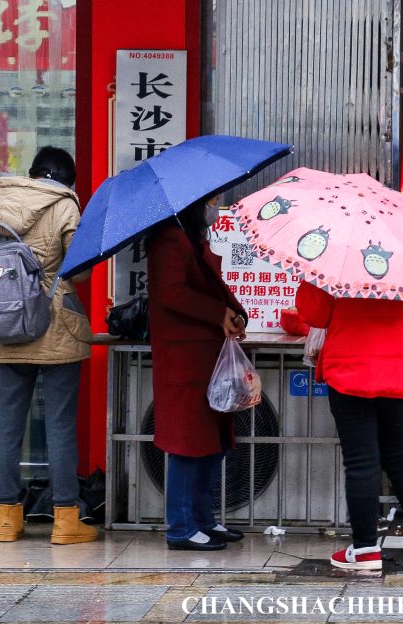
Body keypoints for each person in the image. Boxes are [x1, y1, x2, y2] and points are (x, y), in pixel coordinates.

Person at [0, 146, 96, 545]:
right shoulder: (65, 205)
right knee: (61, 423)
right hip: (57, 324)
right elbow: (78, 271)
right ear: (66, 179)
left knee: (8, 423)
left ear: (33, 172)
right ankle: (65, 520)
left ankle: (7, 520)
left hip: (6, 321)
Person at [296, 281, 403, 571]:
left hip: (350, 371)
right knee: (399, 456)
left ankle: (365, 549)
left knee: (361, 462)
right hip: (398, 371)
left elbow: (313, 312)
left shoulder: (337, 259)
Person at [146, 194, 249, 551]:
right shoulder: (168, 239)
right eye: (212, 201)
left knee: (210, 444)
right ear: (194, 203)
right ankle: (181, 527)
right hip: (183, 359)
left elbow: (208, 287)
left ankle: (203, 519)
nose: (215, 207)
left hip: (205, 358)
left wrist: (233, 312)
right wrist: (217, 313)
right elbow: (173, 293)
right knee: (186, 445)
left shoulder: (191, 237)